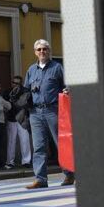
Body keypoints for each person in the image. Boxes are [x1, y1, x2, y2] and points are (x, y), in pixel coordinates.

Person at [24, 39, 75, 188]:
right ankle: (40, 179)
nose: (42, 52)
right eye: (39, 49)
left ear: (49, 51)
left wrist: (67, 90)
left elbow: (68, 85)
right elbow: (26, 89)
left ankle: (69, 174)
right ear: (35, 52)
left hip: (53, 110)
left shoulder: (57, 67)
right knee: (38, 146)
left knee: (60, 143)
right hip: (35, 112)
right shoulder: (31, 70)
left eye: (45, 49)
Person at [3, 75, 32, 169]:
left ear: (21, 83)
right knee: (11, 141)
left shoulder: (25, 91)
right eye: (13, 82)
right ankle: (10, 162)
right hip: (11, 118)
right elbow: (4, 104)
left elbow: (27, 104)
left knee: (25, 140)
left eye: (17, 83)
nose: (15, 84)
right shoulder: (7, 92)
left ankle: (26, 161)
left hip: (23, 119)